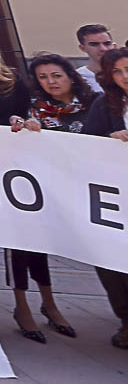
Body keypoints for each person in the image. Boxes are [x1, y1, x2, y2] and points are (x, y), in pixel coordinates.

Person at [8, 54, 92, 343]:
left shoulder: (94, 104)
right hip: (38, 190)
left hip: (85, 192)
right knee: (25, 244)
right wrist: (21, 126)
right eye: (43, 77)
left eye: (55, 75)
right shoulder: (33, 108)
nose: (50, 82)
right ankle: (28, 306)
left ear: (70, 75)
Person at [82, 47, 128, 348]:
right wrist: (108, 141)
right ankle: (126, 319)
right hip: (117, 195)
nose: (126, 78)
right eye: (118, 72)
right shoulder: (106, 104)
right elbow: (84, 145)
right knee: (113, 259)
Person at [76, 24, 114, 93]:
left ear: (114, 46)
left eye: (107, 43)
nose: (103, 49)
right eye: (94, 44)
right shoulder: (77, 78)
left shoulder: (123, 75)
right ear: (82, 48)